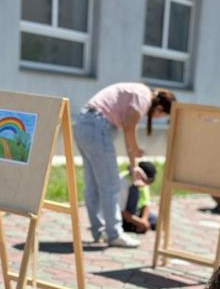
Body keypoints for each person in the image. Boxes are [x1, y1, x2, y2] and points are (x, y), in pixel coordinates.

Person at [74, 83, 175, 247]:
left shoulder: (139, 91)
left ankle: (99, 231)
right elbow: (129, 127)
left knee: (93, 185)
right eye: (161, 116)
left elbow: (128, 130)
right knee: (111, 185)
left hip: (84, 124)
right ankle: (114, 234)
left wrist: (134, 164)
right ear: (160, 108)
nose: (156, 118)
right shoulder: (144, 96)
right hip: (97, 127)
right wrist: (135, 152)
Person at [119, 160, 157, 234]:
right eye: (148, 181)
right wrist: (139, 223)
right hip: (124, 215)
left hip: (137, 213)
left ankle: (137, 226)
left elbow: (146, 203)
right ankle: (133, 226)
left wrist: (144, 220)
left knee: (157, 220)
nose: (147, 184)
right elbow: (121, 210)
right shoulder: (124, 181)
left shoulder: (142, 182)